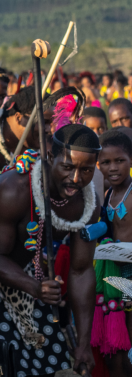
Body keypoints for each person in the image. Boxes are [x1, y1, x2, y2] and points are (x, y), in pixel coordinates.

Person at [0, 124, 100, 376]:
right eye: (68, 167)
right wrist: (35, 287)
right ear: (50, 157)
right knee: (7, 364)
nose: (76, 179)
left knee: (54, 362)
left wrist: (83, 343)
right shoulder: (13, 188)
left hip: (29, 282)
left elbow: (81, 271)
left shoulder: (87, 203)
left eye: (86, 170)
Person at [96, 130, 132, 377]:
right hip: (112, 276)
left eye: (120, 160)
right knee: (114, 345)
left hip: (129, 275)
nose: (113, 168)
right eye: (106, 162)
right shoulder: (108, 194)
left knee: (127, 338)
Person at [0, 86, 55, 171]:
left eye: (50, 123)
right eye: (44, 122)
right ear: (18, 118)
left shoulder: (45, 151)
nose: (49, 130)